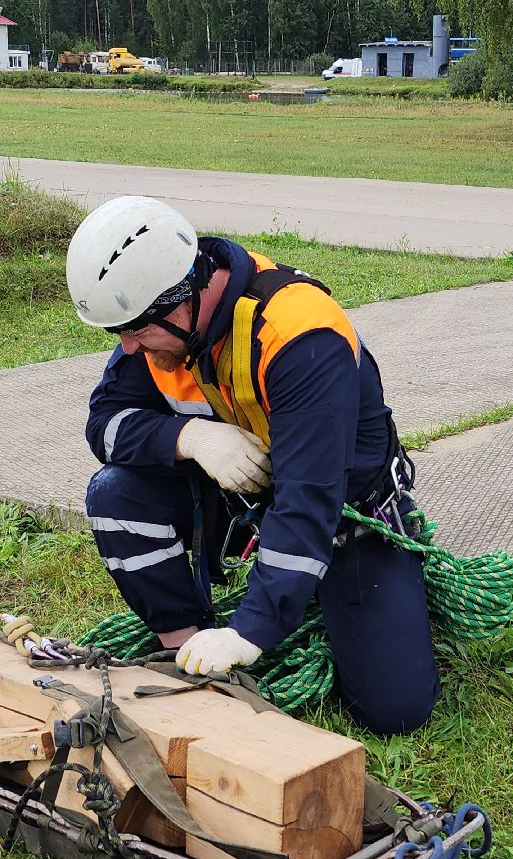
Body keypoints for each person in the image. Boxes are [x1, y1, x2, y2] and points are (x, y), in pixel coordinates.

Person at [69, 195, 439, 735]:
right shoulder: (162, 329)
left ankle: (294, 601)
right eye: (117, 332)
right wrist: (189, 436)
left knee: (396, 710)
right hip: (243, 502)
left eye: (136, 329)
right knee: (115, 491)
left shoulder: (299, 333)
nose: (127, 347)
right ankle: (186, 645)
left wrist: (251, 631)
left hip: (344, 517)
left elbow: (310, 496)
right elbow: (103, 424)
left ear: (182, 298)